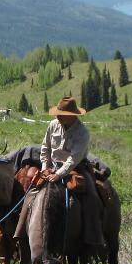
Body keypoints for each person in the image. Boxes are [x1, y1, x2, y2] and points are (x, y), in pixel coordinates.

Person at [39, 96, 105, 253]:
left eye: (62, 114)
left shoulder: (82, 132)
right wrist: (44, 166)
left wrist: (59, 174)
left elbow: (73, 158)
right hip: (52, 167)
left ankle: (92, 239)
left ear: (72, 115)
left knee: (92, 198)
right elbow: (45, 148)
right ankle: (21, 233)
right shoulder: (53, 125)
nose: (58, 116)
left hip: (77, 168)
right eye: (58, 113)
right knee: (31, 193)